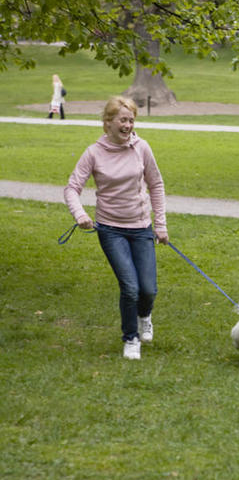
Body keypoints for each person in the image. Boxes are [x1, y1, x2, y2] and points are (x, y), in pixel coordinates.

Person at [64, 95, 169, 360]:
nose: (128, 125)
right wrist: (80, 215)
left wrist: (160, 225)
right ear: (108, 122)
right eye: (123, 120)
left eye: (131, 120)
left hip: (141, 226)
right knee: (130, 287)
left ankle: (145, 316)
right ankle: (130, 338)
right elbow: (72, 188)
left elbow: (156, 184)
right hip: (110, 229)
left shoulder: (142, 147)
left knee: (148, 289)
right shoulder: (94, 152)